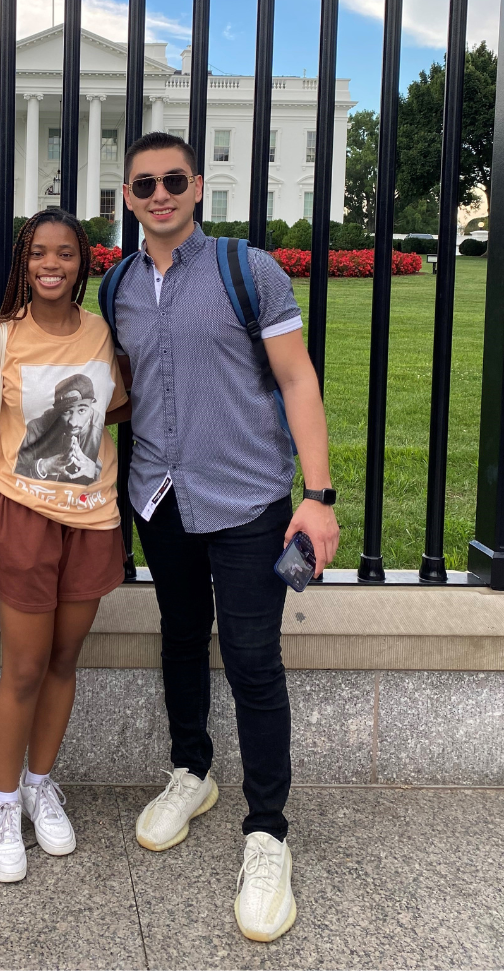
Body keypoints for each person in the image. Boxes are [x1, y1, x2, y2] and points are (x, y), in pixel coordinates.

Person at [112, 131, 338, 943]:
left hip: (247, 503)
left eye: (174, 179)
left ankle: (268, 831)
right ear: (129, 195)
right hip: (159, 497)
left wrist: (318, 496)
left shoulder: (249, 271)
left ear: (198, 186)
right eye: (145, 184)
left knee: (252, 662)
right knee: (179, 638)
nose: (160, 193)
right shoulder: (121, 286)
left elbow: (296, 378)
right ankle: (191, 771)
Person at [0, 207, 130, 884]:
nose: (51, 265)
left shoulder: (101, 333)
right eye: (39, 254)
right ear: (22, 262)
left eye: (66, 254)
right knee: (22, 670)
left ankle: (38, 784)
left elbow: (115, 410)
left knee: (62, 662)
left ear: (83, 264)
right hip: (23, 518)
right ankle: (1, 805)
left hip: (94, 520)